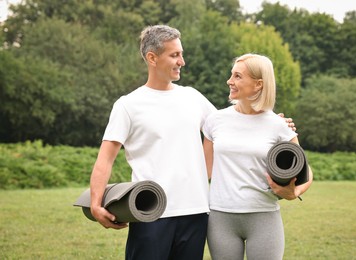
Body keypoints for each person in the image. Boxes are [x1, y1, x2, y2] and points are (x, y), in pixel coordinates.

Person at [89, 25, 296, 260]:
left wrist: (270, 122)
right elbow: (105, 159)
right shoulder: (128, 105)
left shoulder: (192, 97)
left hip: (196, 214)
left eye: (181, 54)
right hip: (150, 212)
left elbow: (232, 125)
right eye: (175, 55)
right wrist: (96, 203)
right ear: (152, 57)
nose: (182, 61)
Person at [202, 53, 313, 260]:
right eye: (231, 75)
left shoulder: (278, 125)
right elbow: (204, 171)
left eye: (237, 76)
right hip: (220, 217)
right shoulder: (215, 120)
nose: (229, 81)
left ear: (258, 84)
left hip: (263, 217)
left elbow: (306, 171)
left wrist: (293, 192)